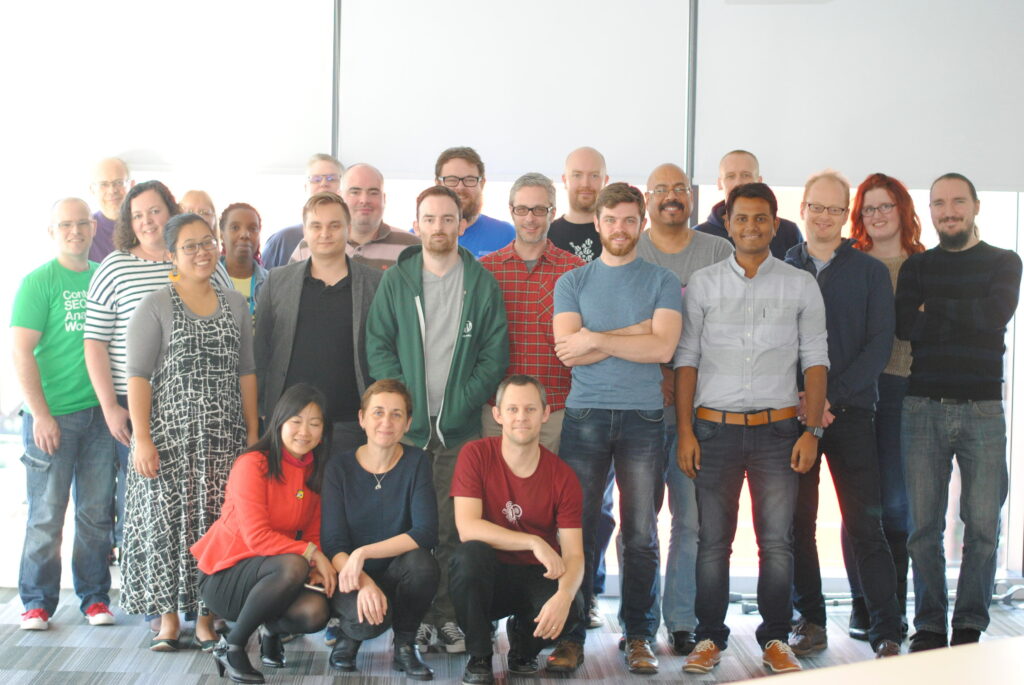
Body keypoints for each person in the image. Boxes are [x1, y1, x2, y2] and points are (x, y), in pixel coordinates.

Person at [676, 182, 828, 675]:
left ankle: (776, 639)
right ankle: (708, 639)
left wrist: (812, 432)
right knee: (712, 541)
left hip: (779, 432)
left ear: (775, 222)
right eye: (741, 218)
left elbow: (816, 361)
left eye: (761, 218)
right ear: (728, 222)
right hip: (714, 431)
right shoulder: (702, 284)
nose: (751, 227)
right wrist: (685, 431)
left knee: (778, 542)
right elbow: (687, 362)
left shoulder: (800, 284)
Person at [366, 185, 509, 654]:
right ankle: (414, 621)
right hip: (406, 431)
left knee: (450, 530)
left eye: (448, 219)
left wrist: (464, 401)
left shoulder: (481, 282)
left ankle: (447, 618)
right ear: (417, 224)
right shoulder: (397, 281)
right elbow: (379, 345)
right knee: (408, 530)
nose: (439, 228)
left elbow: (494, 355)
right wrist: (402, 404)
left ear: (462, 224)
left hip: (459, 430)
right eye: (430, 219)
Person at [553, 182, 682, 675]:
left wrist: (596, 338)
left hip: (643, 418)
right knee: (576, 531)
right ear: (599, 224)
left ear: (641, 223)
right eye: (612, 220)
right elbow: (567, 349)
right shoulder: (573, 281)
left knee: (641, 533)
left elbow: (664, 349)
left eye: (630, 220)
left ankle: (638, 635)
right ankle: (570, 636)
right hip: (585, 415)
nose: (621, 229)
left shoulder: (662, 281)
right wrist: (637, 331)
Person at [120, 212, 259, 651]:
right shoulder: (156, 303)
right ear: (171, 254)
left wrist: (253, 433)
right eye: (189, 246)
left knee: (215, 526)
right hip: (168, 440)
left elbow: (247, 372)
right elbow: (137, 376)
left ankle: (205, 616)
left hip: (224, 439)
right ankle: (166, 620)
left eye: (206, 243)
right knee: (166, 526)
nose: (201, 252)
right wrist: (141, 438)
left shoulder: (236, 303)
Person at [896, 173, 1022, 652]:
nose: (948, 211)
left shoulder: (1005, 261)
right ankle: (929, 624)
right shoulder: (917, 267)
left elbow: (996, 315)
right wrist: (962, 312)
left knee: (984, 525)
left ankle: (969, 623)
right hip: (923, 407)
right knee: (922, 528)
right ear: (930, 211)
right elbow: (908, 325)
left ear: (975, 206)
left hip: (983, 410)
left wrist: (938, 311)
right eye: (939, 204)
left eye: (957, 202)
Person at [785, 170, 902, 659]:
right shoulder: (783, 266)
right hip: (792, 416)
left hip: (851, 415)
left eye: (836, 209)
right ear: (804, 209)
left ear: (845, 214)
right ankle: (809, 622)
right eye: (818, 207)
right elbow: (771, 343)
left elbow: (879, 346)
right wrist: (802, 400)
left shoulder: (870, 271)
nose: (826, 217)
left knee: (865, 525)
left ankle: (887, 631)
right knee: (797, 526)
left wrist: (828, 401)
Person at [84, 181, 231, 563]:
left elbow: (230, 324)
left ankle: (199, 602)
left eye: (154, 211)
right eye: (136, 215)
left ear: (171, 211)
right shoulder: (115, 266)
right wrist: (110, 407)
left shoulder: (197, 256)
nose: (146, 221)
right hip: (134, 406)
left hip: (200, 409)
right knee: (145, 505)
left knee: (198, 505)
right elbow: (95, 342)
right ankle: (156, 607)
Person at [637, 163, 733, 656]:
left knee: (691, 522)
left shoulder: (718, 250)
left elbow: (729, 327)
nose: (672, 197)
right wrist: (660, 374)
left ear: (692, 198)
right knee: (640, 521)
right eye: (662, 189)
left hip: (700, 412)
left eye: (680, 189)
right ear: (646, 198)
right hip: (643, 409)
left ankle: (680, 620)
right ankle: (640, 624)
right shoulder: (633, 249)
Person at [13, 198, 117, 630]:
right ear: (52, 232)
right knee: (46, 514)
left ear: (94, 228)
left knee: (96, 515)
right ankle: (37, 602)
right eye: (65, 225)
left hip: (99, 417)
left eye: (82, 224)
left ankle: (94, 598)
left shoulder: (102, 277)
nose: (75, 231)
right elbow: (21, 351)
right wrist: (41, 414)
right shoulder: (38, 282)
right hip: (53, 418)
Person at [192, 383, 335, 684]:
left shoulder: (314, 470)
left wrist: (316, 564)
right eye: (296, 421)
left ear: (324, 431)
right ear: (279, 421)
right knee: (294, 562)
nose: (304, 431)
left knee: (316, 612)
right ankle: (232, 647)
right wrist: (311, 555)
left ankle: (271, 629)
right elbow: (257, 537)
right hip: (226, 575)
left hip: (273, 576)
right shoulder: (252, 464)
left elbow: (312, 532)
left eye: (314, 423)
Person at [450, 375, 586, 684]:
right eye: (512, 409)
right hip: (488, 574)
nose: (521, 417)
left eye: (529, 409)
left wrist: (564, 595)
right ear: (497, 415)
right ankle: (480, 652)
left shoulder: (563, 476)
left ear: (545, 413)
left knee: (574, 603)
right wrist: (533, 541)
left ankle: (523, 647)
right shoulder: (475, 455)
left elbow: (575, 553)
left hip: (534, 576)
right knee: (468, 557)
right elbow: (466, 527)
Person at [843, 173, 926, 639]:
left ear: (902, 210)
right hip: (856, 392)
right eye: (868, 208)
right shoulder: (852, 263)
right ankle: (862, 608)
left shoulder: (923, 265)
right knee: (860, 507)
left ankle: (892, 609)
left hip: (903, 391)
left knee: (897, 507)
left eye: (885, 206)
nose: (877, 215)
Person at [321, 379, 438, 679]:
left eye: (397, 414)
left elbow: (425, 531)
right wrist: (363, 578)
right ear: (361, 418)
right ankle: (349, 637)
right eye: (378, 412)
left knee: (424, 564)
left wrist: (364, 552)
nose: (386, 422)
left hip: (398, 570)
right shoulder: (339, 467)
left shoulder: (416, 461)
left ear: (408, 423)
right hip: (350, 574)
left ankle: (404, 647)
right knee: (368, 622)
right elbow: (333, 542)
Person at [255, 191, 381, 455]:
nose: (325, 233)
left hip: (351, 422)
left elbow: (383, 350)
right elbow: (262, 351)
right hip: (291, 424)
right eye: (316, 226)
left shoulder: (374, 284)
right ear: (305, 231)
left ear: (348, 229)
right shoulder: (277, 281)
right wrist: (264, 411)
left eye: (334, 225)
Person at [478, 171, 584, 449]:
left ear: (553, 212)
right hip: (498, 410)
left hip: (556, 410)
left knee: (550, 492)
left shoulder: (574, 272)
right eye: (522, 209)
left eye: (539, 209)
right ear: (511, 211)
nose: (530, 218)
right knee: (498, 491)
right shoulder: (486, 270)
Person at [288, 163, 419, 269]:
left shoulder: (412, 247)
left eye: (373, 192)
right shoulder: (309, 246)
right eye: (355, 192)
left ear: (384, 199)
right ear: (340, 197)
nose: (364, 200)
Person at [694, 150, 802, 259]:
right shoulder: (699, 235)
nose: (738, 183)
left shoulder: (788, 232)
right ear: (719, 183)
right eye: (730, 176)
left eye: (746, 175)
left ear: (759, 181)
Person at [262, 153, 344, 268]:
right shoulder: (282, 241)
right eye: (316, 179)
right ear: (306, 187)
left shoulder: (355, 240)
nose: (324, 183)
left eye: (332, 178)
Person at [434, 146, 514, 258]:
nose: (460, 187)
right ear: (438, 184)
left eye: (469, 180)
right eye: (451, 180)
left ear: (482, 184)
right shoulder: (415, 239)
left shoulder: (508, 236)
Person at [548, 147, 608, 262]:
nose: (585, 184)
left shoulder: (617, 235)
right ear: (565, 180)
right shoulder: (545, 236)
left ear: (605, 181)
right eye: (577, 175)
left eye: (594, 175)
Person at [219, 202, 267, 320]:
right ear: (221, 235)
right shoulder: (209, 279)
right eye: (235, 228)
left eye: (252, 228)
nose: (245, 234)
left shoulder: (271, 283)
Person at [88, 157, 133, 262]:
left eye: (119, 182)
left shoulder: (147, 225)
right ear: (92, 190)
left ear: (131, 185)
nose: (112, 190)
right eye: (103, 184)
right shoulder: (85, 230)